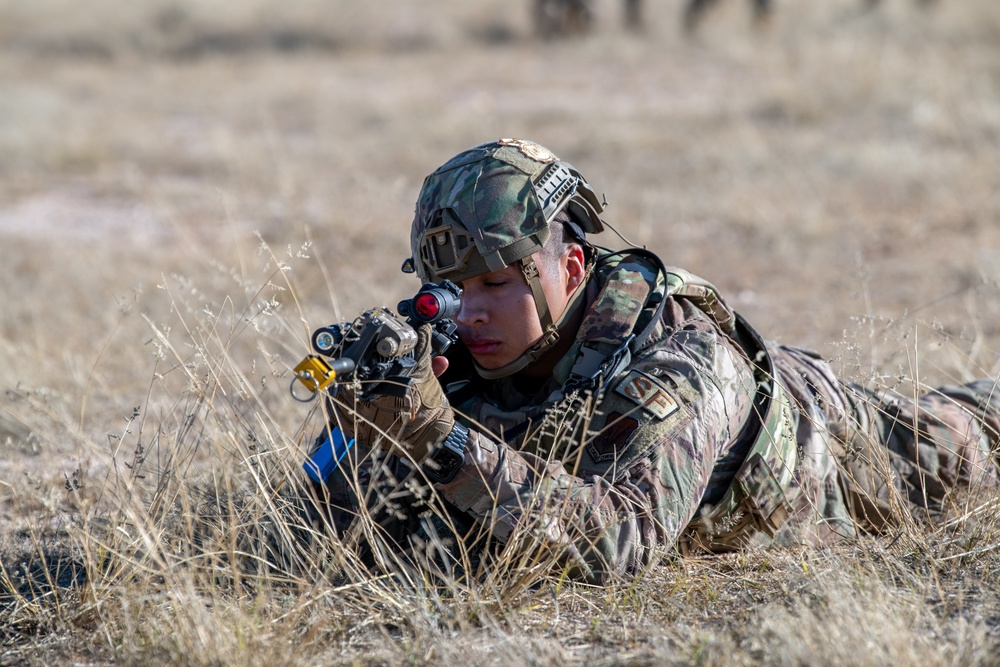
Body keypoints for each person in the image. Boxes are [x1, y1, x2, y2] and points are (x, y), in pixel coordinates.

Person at [308, 138, 1000, 583]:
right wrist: (367, 429)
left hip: (856, 452)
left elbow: (618, 540)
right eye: (452, 289)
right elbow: (324, 523)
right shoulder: (468, 337)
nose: (472, 311)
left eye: (496, 282)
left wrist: (442, 438)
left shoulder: (680, 357)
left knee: (975, 436)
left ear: (571, 266)